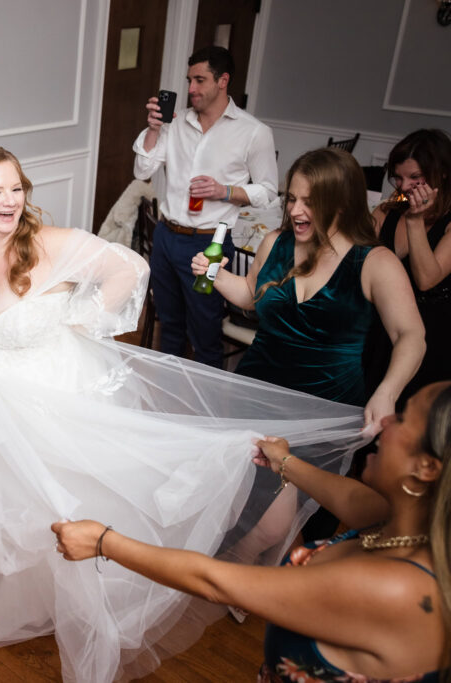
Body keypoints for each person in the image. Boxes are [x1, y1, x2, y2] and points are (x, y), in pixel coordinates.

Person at [0, 143, 371, 682]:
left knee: (59, 503)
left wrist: (82, 325)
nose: (10, 200)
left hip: (51, 395)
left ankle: (77, 596)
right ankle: (17, 597)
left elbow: (125, 267)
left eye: (17, 187)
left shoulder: (50, 245)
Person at [54, 380, 451, 682]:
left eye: (402, 417)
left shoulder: (399, 588)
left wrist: (105, 541)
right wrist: (285, 461)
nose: (385, 420)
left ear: (428, 468)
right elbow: (347, 497)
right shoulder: (402, 523)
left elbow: (215, 582)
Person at [193, 148, 425, 434]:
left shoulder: (375, 262)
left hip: (326, 411)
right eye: (291, 199)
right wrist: (215, 275)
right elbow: (251, 294)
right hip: (254, 395)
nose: (294, 211)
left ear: (342, 203)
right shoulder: (275, 242)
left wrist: (387, 392)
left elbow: (410, 336)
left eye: (309, 202)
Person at [133, 45, 278, 368]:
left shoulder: (254, 133)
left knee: (205, 333)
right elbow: (142, 171)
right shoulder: (175, 123)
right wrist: (155, 129)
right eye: (189, 80)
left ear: (223, 80)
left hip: (209, 244)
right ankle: (167, 401)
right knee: (169, 325)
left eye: (199, 80)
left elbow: (269, 193)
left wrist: (225, 191)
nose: (191, 89)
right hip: (166, 237)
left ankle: (206, 414)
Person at [365, 129, 451, 408]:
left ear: (442, 174)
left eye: (416, 178)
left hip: (429, 335)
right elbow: (357, 257)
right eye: (399, 178)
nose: (405, 187)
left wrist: (416, 221)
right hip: (378, 324)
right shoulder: (388, 210)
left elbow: (427, 279)